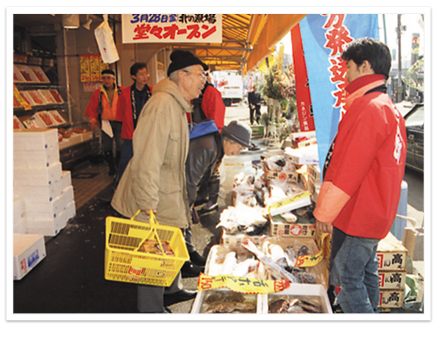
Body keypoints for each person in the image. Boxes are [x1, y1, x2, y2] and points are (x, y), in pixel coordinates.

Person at [313, 38, 407, 313]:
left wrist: (324, 213)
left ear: (365, 66)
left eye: (349, 67)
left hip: (360, 211)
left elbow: (347, 169)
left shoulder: (369, 108)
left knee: (345, 278)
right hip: (376, 209)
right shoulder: (386, 106)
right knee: (365, 273)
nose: (345, 75)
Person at [111, 50, 208, 313]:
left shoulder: (177, 105)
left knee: (168, 246)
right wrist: (147, 204)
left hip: (167, 192)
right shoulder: (162, 105)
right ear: (182, 76)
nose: (203, 81)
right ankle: (151, 314)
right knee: (151, 259)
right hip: (153, 197)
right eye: (200, 75)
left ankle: (171, 291)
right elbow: (146, 158)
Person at [183, 120, 252, 277]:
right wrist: (189, 201)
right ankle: (184, 266)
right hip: (176, 187)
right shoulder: (207, 147)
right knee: (180, 222)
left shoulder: (217, 147)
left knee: (185, 221)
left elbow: (212, 174)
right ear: (229, 140)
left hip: (185, 186)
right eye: (239, 147)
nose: (239, 151)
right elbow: (189, 179)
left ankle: (191, 253)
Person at [114, 62, 153, 187]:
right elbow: (119, 114)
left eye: (146, 73)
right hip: (131, 134)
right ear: (133, 76)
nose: (145, 76)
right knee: (125, 161)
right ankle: (118, 187)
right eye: (141, 74)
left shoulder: (153, 92)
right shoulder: (125, 93)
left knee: (148, 162)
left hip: (149, 134)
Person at [85, 69, 122, 176]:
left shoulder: (121, 91)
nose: (106, 80)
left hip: (119, 122)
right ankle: (111, 167)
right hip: (105, 123)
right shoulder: (98, 93)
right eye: (104, 78)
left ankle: (119, 167)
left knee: (120, 145)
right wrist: (92, 121)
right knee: (107, 146)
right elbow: (93, 108)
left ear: (113, 79)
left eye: (109, 78)